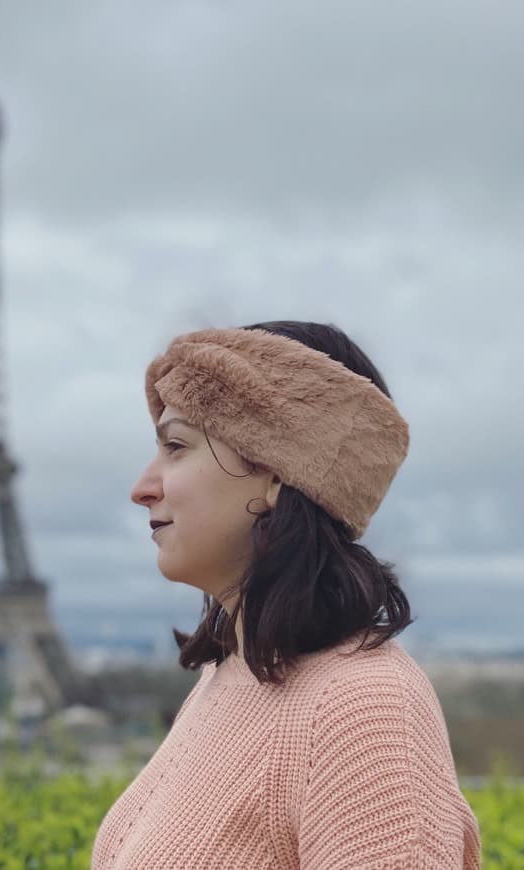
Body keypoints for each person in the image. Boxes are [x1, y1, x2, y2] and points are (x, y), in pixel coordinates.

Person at [91, 321, 482, 869]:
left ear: (277, 472)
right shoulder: (230, 676)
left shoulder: (361, 707)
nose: (142, 487)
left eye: (176, 446)